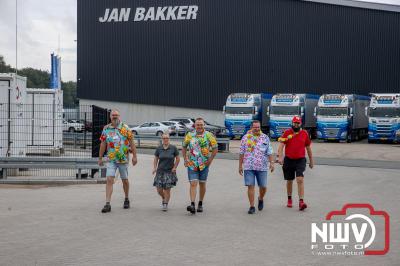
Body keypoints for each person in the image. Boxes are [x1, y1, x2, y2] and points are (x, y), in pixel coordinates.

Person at [98, 110, 137, 213]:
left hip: (123, 159)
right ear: (110, 117)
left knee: (125, 180)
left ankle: (126, 198)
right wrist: (100, 157)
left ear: (119, 116)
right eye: (113, 115)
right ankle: (107, 203)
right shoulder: (106, 129)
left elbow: (132, 142)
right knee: (109, 179)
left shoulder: (126, 128)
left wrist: (134, 156)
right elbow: (102, 143)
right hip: (111, 159)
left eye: (116, 115)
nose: (114, 117)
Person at [182, 117, 218, 214]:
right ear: (195, 125)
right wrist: (185, 159)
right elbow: (184, 147)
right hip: (192, 164)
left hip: (204, 165)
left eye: (201, 124)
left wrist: (210, 160)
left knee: (202, 184)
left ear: (204, 125)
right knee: (193, 183)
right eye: (198, 125)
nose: (199, 126)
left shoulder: (209, 135)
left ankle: (200, 203)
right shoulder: (189, 135)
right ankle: (192, 204)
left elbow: (215, 149)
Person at [277, 116, 314, 211]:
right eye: (294, 123)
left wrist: (311, 161)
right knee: (289, 180)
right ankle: (289, 199)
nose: (296, 124)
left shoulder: (304, 133)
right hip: (289, 159)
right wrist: (280, 157)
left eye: (298, 123)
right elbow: (281, 146)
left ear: (300, 124)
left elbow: (308, 148)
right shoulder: (287, 133)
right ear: (292, 123)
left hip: (300, 160)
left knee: (300, 179)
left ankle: (301, 202)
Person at [239, 120, 275, 214]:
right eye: (255, 127)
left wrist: (271, 163)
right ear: (251, 127)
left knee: (263, 186)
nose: (257, 129)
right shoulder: (245, 138)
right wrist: (240, 166)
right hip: (248, 166)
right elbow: (241, 153)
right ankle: (252, 206)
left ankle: (261, 198)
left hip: (262, 166)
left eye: (258, 127)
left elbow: (270, 151)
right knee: (250, 186)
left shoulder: (265, 138)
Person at [152, 133, 180, 211]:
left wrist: (175, 167)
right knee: (159, 189)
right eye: (164, 138)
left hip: (169, 172)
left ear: (169, 139)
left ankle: (165, 204)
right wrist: (154, 168)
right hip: (160, 171)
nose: (165, 139)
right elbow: (156, 159)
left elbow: (178, 159)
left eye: (167, 138)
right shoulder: (159, 148)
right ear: (162, 139)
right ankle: (164, 198)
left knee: (167, 189)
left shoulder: (173, 148)